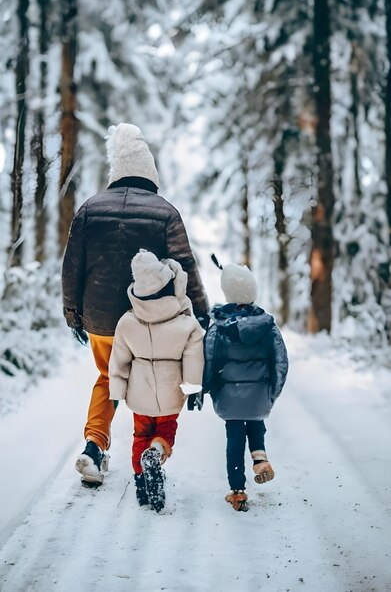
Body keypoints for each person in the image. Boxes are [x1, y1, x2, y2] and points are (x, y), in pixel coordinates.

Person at [61, 123, 208, 487]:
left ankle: (94, 448)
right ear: (149, 173)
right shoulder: (164, 211)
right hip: (150, 321)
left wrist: (73, 314)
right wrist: (203, 312)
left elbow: (72, 266)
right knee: (153, 375)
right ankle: (153, 447)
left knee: (107, 377)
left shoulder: (89, 209)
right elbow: (185, 264)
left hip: (100, 319)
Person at [108, 250, 204, 512]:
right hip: (171, 391)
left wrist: (117, 390)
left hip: (139, 393)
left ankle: (140, 481)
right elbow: (194, 358)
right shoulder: (186, 323)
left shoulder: (127, 322)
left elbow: (118, 360)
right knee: (165, 430)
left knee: (140, 433)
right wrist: (193, 389)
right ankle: (157, 452)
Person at [202, 263, 288, 511]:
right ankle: (259, 456)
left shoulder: (218, 326)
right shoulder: (267, 325)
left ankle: (238, 492)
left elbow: (208, 358)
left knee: (234, 438)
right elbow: (281, 361)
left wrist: (207, 388)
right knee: (255, 419)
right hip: (259, 393)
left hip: (229, 396)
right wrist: (272, 393)